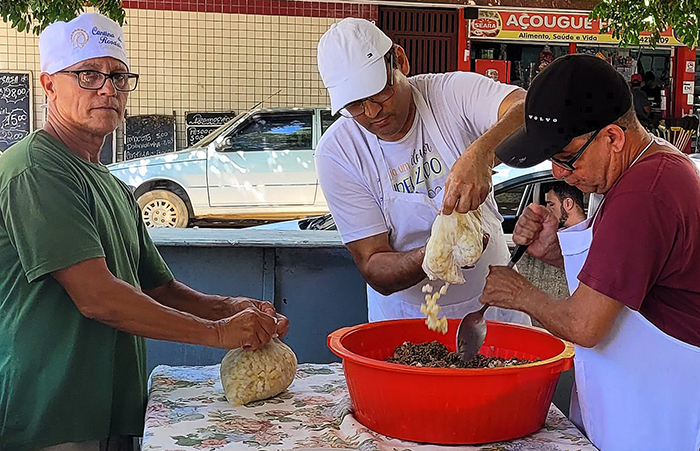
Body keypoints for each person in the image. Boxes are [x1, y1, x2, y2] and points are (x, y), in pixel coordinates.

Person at [0, 13, 289, 451]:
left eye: (118, 76)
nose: (108, 89)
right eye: (88, 75)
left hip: (111, 404)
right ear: (48, 85)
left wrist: (228, 308)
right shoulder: (37, 170)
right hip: (49, 411)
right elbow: (97, 297)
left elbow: (158, 288)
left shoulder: (111, 183)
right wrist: (217, 334)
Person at [482, 54, 700, 451]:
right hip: (629, 407)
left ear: (613, 138)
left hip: (658, 420)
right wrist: (555, 253)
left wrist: (519, 293)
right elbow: (627, 282)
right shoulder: (642, 167)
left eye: (566, 158)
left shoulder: (645, 193)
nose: (558, 174)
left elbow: (586, 325)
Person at [314, 18, 530, 325]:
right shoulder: (338, 152)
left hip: (493, 307)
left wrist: (480, 153)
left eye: (379, 92)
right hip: (405, 317)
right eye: (356, 105)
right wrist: (436, 254)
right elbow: (373, 265)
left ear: (400, 61)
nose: (373, 111)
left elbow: (526, 107)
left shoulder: (451, 94)